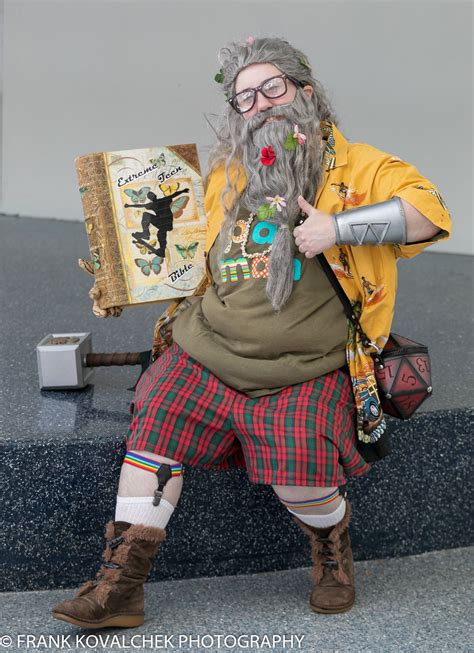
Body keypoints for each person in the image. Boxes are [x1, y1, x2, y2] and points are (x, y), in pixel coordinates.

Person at [52, 36, 452, 628]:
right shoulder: (226, 175)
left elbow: (430, 215)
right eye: (245, 97)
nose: (261, 104)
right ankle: (121, 587)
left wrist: (340, 227)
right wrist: (125, 272)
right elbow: (187, 257)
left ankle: (330, 546)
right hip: (205, 349)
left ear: (306, 94)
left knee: (305, 489)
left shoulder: (363, 167)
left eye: (273, 87)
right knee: (152, 442)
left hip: (307, 366)